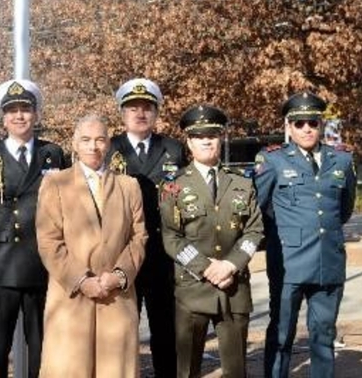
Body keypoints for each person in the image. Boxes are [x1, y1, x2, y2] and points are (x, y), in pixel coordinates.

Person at [35, 114, 148, 377]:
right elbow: (49, 241)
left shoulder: (128, 186)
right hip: (70, 298)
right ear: (74, 144)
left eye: (99, 140)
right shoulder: (56, 183)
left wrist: (119, 275)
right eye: (85, 140)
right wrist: (81, 280)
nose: (92, 146)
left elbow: (138, 237)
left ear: (109, 144)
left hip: (116, 297)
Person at [0, 79, 70, 378]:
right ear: (3, 118)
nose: (19, 116)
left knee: (42, 345)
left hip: (42, 262)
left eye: (25, 109)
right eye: (12, 110)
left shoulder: (53, 153)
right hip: (1, 263)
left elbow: (65, 204)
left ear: (36, 114)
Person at [254, 92, 357, 378]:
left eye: (312, 121)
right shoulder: (272, 161)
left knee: (323, 336)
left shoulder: (342, 159)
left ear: (321, 123)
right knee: (282, 333)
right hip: (289, 262)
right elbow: (260, 208)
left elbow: (343, 209)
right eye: (299, 123)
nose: (307, 128)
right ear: (288, 126)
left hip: (329, 261)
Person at [159, 105, 264, 378]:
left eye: (213, 135)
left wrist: (231, 265)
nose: (207, 140)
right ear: (189, 142)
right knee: (187, 370)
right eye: (199, 136)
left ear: (221, 138)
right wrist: (206, 267)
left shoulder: (242, 182)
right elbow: (171, 236)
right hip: (193, 288)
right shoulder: (173, 185)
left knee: (236, 370)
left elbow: (254, 231)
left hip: (233, 288)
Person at [108, 78, 185, 377]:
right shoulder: (110, 148)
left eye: (147, 108)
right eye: (132, 108)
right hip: (122, 252)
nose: (140, 114)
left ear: (156, 112)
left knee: (165, 327)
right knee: (122, 328)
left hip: (162, 252)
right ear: (122, 114)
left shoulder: (174, 149)